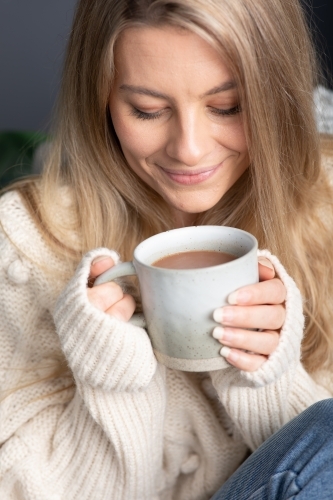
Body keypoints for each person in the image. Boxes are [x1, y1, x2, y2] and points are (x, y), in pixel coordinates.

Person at [0, 0, 333, 498]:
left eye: (228, 107)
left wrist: (267, 380)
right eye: (148, 110)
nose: (190, 150)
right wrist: (113, 385)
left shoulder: (324, 202)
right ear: (102, 101)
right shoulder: (25, 240)